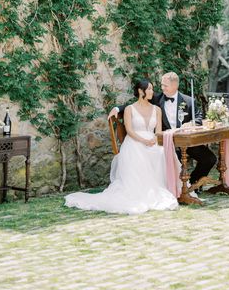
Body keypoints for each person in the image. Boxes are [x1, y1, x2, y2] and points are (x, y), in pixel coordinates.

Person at [65, 78, 178, 215]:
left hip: (152, 141)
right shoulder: (130, 109)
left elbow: (158, 131)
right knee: (139, 153)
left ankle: (167, 188)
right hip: (135, 142)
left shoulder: (157, 109)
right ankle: (140, 191)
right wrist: (143, 140)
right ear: (140, 91)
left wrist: (154, 139)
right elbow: (129, 131)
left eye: (152, 89)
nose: (152, 91)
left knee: (161, 152)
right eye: (149, 89)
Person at [110, 71, 216, 188]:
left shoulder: (189, 101)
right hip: (167, 143)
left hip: (186, 142)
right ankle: (179, 188)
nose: (162, 88)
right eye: (161, 85)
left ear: (175, 86)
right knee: (172, 159)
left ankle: (193, 183)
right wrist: (117, 108)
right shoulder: (156, 98)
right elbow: (136, 104)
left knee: (210, 159)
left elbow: (199, 117)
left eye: (165, 85)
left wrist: (191, 123)